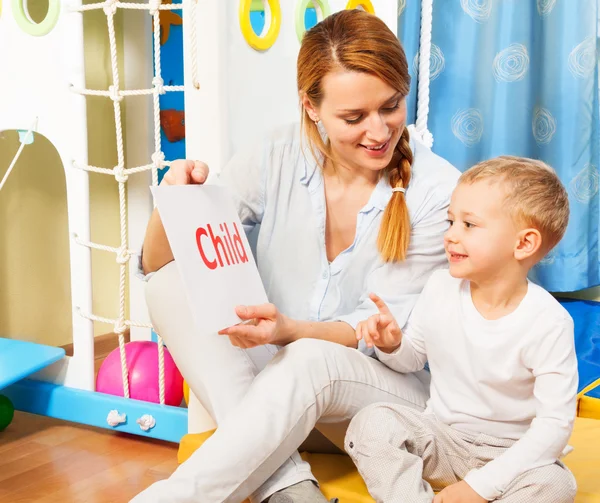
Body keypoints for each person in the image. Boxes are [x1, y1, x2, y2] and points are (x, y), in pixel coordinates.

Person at [134, 9, 459, 503]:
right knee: (166, 286)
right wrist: (175, 201)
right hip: (271, 401)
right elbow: (160, 264)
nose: (379, 132)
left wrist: (290, 332)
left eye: (391, 106)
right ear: (311, 107)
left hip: (384, 404)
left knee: (309, 356)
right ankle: (289, 487)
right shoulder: (275, 154)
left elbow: (374, 337)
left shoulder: (437, 190)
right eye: (353, 118)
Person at [346, 156, 578, 503]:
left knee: (556, 485)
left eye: (469, 225)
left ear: (523, 244)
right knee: (371, 423)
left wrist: (480, 487)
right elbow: (413, 360)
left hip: (513, 454)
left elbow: (554, 427)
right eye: (451, 221)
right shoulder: (440, 286)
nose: (451, 235)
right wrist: (392, 345)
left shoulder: (549, 322)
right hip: (443, 438)